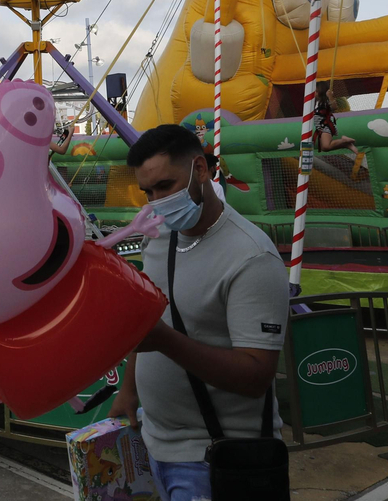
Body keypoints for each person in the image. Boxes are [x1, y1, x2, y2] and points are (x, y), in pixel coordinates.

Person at [110, 125, 289, 500]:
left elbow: (256, 375)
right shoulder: (159, 237)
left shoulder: (251, 257)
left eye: (166, 186)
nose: (156, 202)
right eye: (148, 192)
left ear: (201, 170)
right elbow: (148, 319)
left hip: (216, 458)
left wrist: (164, 341)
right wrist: (129, 390)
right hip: (154, 443)